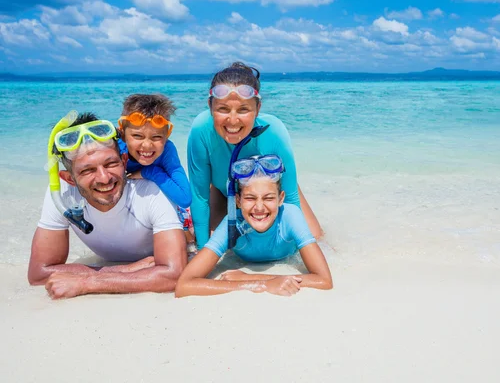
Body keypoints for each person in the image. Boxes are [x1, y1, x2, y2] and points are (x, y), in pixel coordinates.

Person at [28, 112, 187, 299]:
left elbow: (174, 274)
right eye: (88, 170)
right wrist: (124, 269)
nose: (104, 178)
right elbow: (39, 273)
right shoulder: (62, 195)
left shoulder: (151, 191)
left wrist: (87, 283)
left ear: (124, 161)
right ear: (69, 179)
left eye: (111, 163)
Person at [187, 62, 322, 249]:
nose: (232, 120)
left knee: (316, 239)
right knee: (217, 246)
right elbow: (199, 196)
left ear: (258, 108)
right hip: (222, 191)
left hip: (265, 193)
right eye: (223, 109)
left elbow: (290, 199)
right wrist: (200, 249)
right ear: (210, 106)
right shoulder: (201, 128)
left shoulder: (274, 131)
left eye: (243, 109)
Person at [175, 155, 332, 297]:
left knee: (320, 237)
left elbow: (324, 280)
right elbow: (184, 285)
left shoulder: (290, 215)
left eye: (268, 198)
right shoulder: (232, 224)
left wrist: (250, 278)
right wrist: (264, 285)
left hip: (287, 220)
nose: (259, 207)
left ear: (281, 198)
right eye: (250, 198)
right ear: (238, 201)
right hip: (229, 205)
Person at [118, 94, 195, 247]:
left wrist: (150, 172)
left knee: (189, 239)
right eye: (137, 136)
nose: (147, 145)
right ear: (122, 132)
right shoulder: (115, 148)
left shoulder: (167, 150)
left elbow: (185, 197)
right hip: (129, 212)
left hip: (164, 207)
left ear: (167, 135)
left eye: (156, 137)